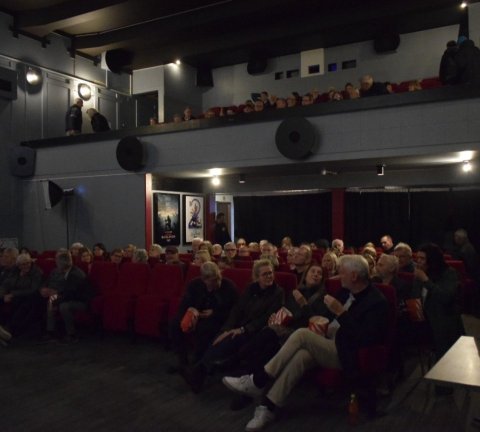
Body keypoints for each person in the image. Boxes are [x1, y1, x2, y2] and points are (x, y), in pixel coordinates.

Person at [222, 255, 388, 431]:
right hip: (327, 340)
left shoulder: (377, 302)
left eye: (343, 273)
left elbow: (364, 338)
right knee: (300, 357)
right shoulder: (344, 292)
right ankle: (268, 407)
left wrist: (341, 313)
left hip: (347, 352)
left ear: (354, 276)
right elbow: (323, 319)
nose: (339, 276)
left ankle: (258, 380)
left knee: (302, 334)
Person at [227, 264, 330, 409]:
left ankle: (236, 361)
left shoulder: (324, 298)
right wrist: (275, 318)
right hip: (285, 330)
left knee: (268, 334)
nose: (315, 274)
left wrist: (304, 304)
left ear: (322, 279)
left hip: (302, 335)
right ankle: (248, 390)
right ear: (305, 275)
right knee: (267, 346)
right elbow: (286, 312)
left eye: (319, 273)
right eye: (312, 271)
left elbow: (316, 323)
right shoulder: (295, 292)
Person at [182, 259, 284, 393]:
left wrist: (241, 329)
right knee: (219, 338)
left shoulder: (278, 292)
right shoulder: (251, 288)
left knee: (226, 342)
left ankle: (198, 373)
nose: (269, 276)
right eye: (265, 274)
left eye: (270, 273)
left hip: (256, 330)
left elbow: (265, 318)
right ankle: (200, 373)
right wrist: (226, 329)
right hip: (239, 326)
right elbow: (237, 310)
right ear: (257, 277)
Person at [169, 262, 238, 373]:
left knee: (204, 329)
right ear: (203, 279)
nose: (213, 284)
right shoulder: (195, 284)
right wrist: (191, 312)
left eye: (215, 280)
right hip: (197, 315)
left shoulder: (228, 286)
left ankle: (198, 363)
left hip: (217, 318)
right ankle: (182, 361)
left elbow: (235, 310)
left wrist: (214, 313)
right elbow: (184, 304)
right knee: (175, 324)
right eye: (210, 281)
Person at [411, 243, 463, 360]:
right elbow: (415, 297)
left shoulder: (449, 273)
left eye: (422, 258)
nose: (418, 261)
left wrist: (426, 280)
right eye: (417, 258)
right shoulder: (420, 273)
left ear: (432, 260)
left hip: (444, 321)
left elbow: (445, 298)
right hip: (425, 320)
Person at [39, 249, 93, 343]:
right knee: (52, 300)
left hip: (82, 302)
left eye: (57, 262)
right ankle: (51, 331)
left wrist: (56, 300)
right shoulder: (69, 272)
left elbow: (71, 294)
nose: (56, 265)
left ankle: (72, 334)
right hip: (71, 297)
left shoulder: (75, 275)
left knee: (64, 306)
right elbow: (67, 293)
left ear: (62, 263)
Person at [0, 253, 43, 343]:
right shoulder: (15, 271)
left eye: (28, 263)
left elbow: (32, 290)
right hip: (15, 294)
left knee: (26, 303)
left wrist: (13, 294)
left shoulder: (36, 272)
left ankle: (9, 330)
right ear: (18, 265)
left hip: (29, 296)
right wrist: (3, 295)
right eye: (23, 264)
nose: (26, 266)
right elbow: (6, 284)